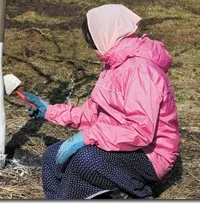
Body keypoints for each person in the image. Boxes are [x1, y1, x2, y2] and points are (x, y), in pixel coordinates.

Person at [21, 4, 180, 199]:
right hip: (118, 143)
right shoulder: (112, 66)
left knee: (85, 160)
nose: (92, 49)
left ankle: (137, 192)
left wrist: (87, 137)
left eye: (93, 42)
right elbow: (91, 114)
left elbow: (141, 133)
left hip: (149, 155)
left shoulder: (140, 70)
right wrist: (49, 111)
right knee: (52, 156)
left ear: (107, 35)